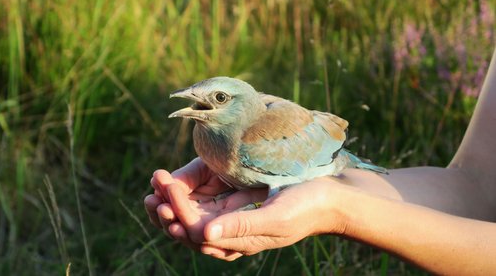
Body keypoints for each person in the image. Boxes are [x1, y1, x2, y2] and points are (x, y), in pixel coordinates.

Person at [144, 49, 496, 274]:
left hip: (323, 151)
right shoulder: (205, 135)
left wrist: (336, 210)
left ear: (236, 102)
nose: (198, 102)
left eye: (218, 98)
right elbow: (477, 182)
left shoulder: (250, 144)